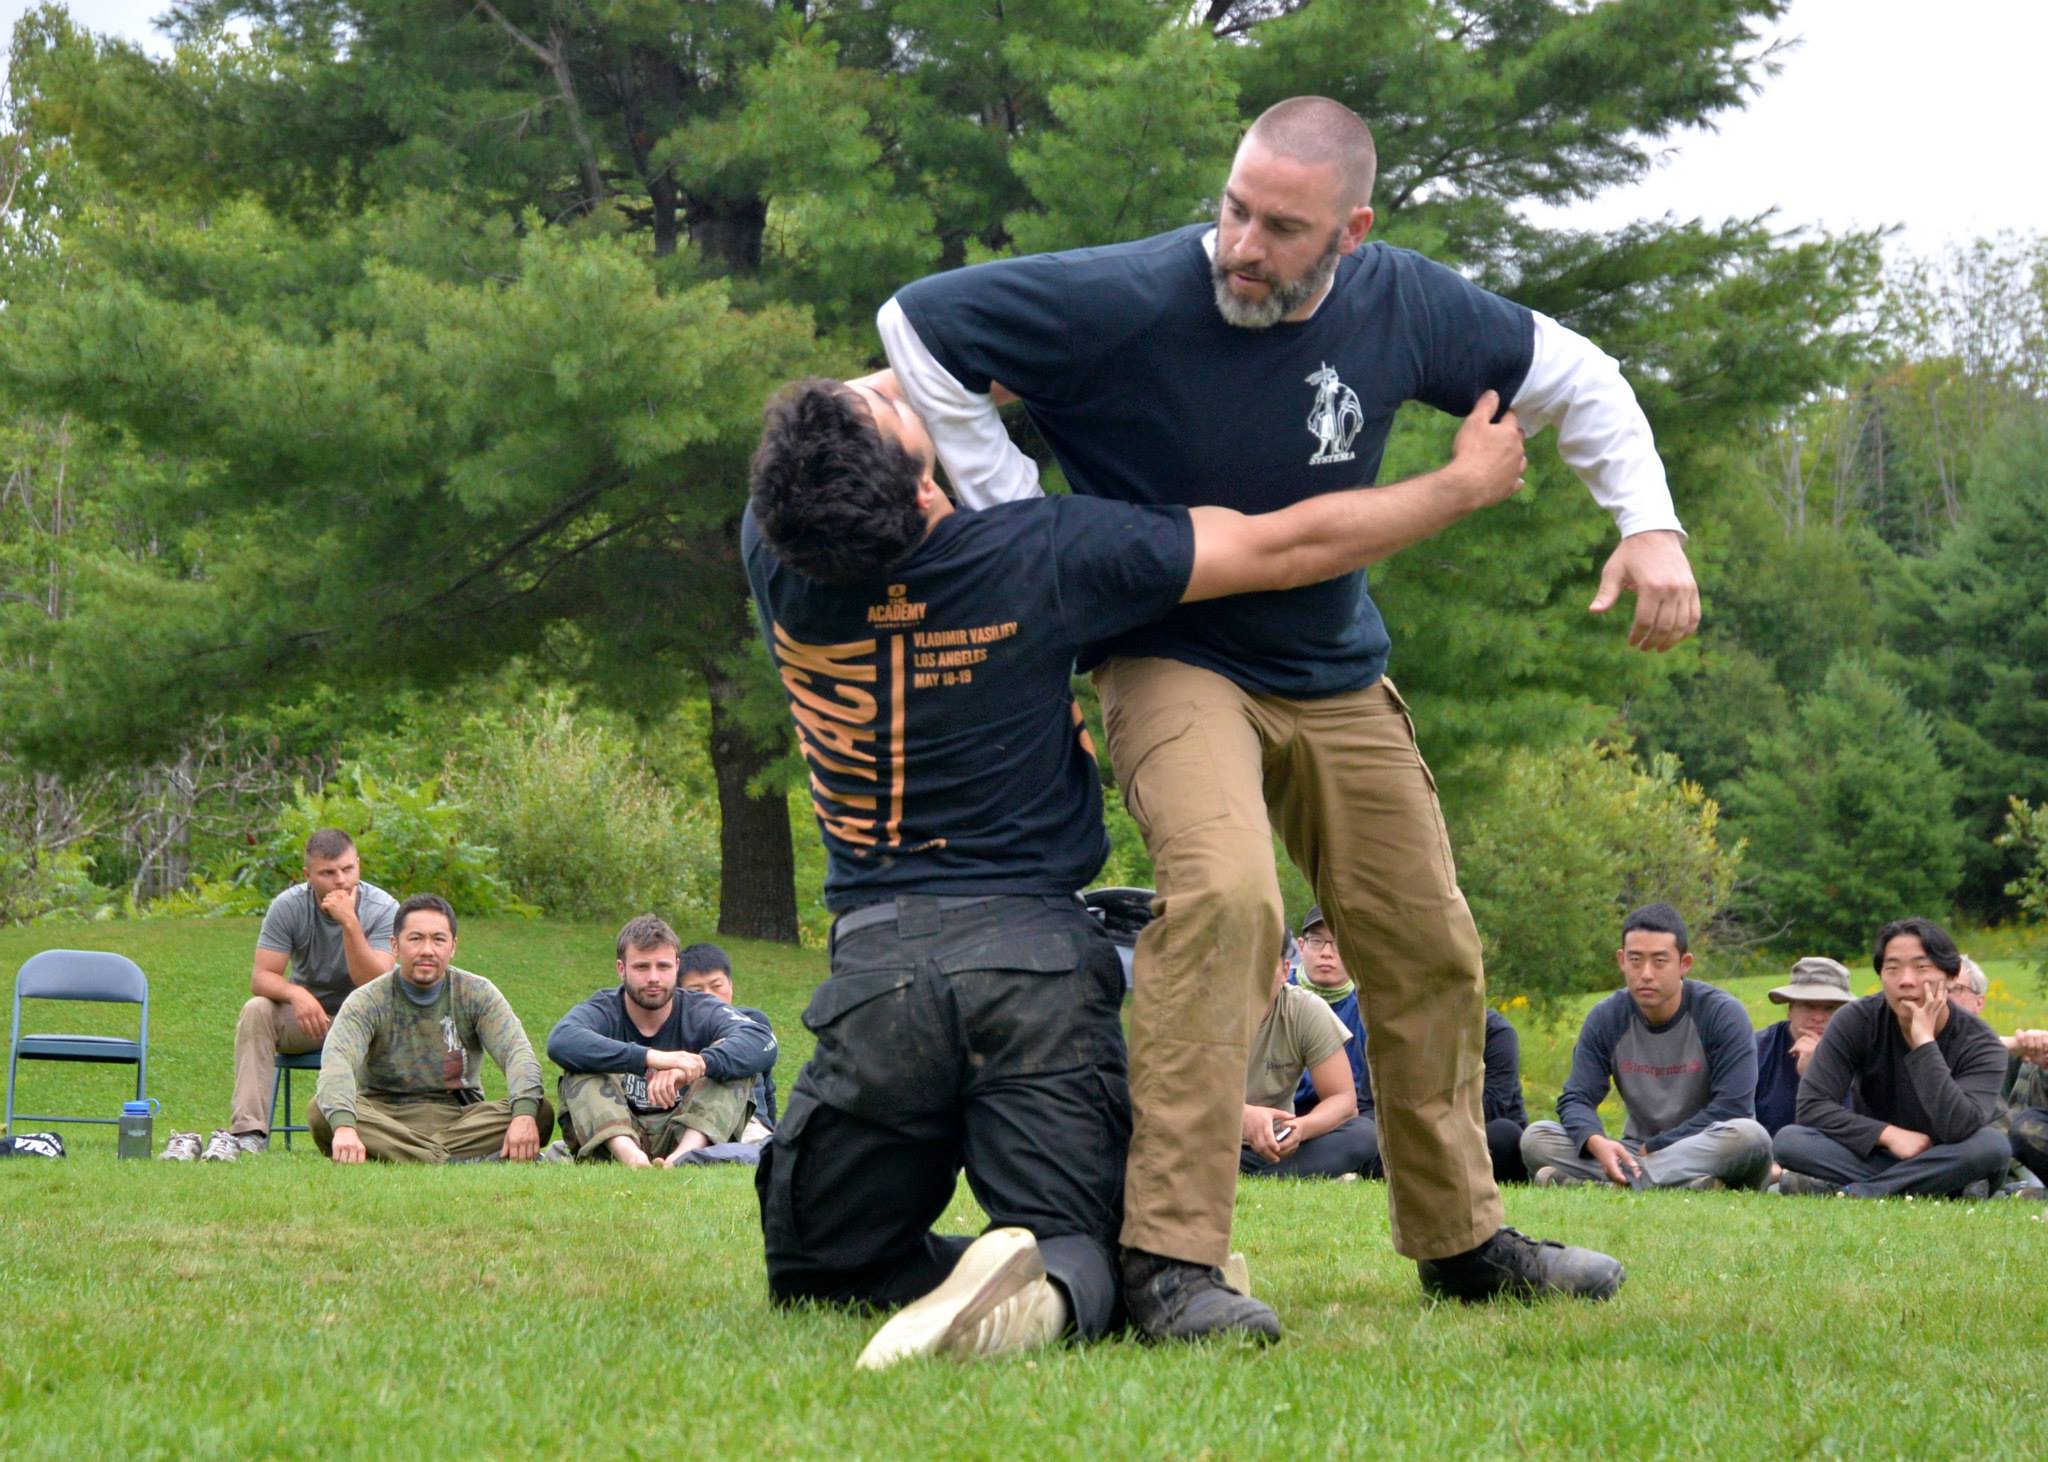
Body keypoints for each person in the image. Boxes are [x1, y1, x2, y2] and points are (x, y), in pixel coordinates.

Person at [880, 95, 1671, 1314]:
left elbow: (1576, 373)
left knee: (1428, 943)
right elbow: (916, 322)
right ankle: (1171, 1261)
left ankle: (1463, 1243)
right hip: (1171, 659)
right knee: (1229, 903)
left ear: (1348, 230)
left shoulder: (1399, 301)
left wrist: (1649, 525)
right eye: (1234, 208)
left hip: (1334, 670)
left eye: (1280, 227)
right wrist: (1017, 516)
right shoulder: (1130, 294)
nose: (1241, 245)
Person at [743, 351, 1539, 1362]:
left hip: (874, 977)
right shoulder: (1035, 556)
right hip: (1025, 966)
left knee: (822, 1270)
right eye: (915, 442)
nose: (912, 403)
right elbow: (1284, 544)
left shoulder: (777, 550)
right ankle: (1037, 1281)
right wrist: (1456, 487)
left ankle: (965, 1269)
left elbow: (841, 421)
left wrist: (892, 408)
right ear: (924, 493)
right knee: (1087, 1245)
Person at [1521, 905, 1772, 1191]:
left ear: (1684, 963)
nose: (1646, 974)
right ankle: (1679, 1184)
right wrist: (1595, 1140)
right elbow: (1576, 1097)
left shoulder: (1721, 1014)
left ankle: (1614, 1182)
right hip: (1637, 1149)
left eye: (1660, 961)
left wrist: (1658, 1146)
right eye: (1636, 960)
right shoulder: (1607, 1017)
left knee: (1750, 1136)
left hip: (1704, 1145)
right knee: (1536, 1137)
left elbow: (1732, 1108)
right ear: (1621, 960)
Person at [1775, 918, 2011, 1199]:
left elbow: (1959, 1127)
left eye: (1921, 968)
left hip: (1948, 1153)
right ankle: (1942, 1188)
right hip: (1877, 1152)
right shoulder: (1856, 1020)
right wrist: (1888, 1134)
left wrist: (1923, 1043)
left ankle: (1863, 1192)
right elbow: (1812, 1106)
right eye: (1892, 969)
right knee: (1790, 1141)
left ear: (1950, 977)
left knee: (1992, 1147)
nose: (1906, 981)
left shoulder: (1981, 1042)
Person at [308, 894, 552, 1164]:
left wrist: (523, 1117)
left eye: (438, 939)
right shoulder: (367, 1000)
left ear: (453, 946)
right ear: (395, 945)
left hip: (462, 1120)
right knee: (322, 1111)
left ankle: (406, 1157)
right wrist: (344, 1126)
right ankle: (453, 1160)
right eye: (415, 938)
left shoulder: (477, 993)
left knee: (537, 1111)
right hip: (384, 1118)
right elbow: (338, 1062)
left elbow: (517, 1053)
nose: (427, 950)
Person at [202, 828, 397, 1162]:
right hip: (311, 1021)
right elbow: (261, 976)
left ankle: (383, 1133)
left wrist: (349, 922)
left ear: (358, 866)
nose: (340, 880)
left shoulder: (383, 908)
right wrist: (296, 994)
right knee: (257, 1009)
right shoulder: (289, 907)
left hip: (369, 1024)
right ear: (308, 876)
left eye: (348, 869)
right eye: (328, 873)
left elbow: (375, 983)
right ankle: (249, 1134)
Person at [546, 918, 776, 1168]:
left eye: (663, 966)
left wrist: (698, 1064)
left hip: (683, 1131)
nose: (653, 977)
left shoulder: (701, 1009)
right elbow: (561, 1040)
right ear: (621, 969)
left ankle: (682, 1159)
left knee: (730, 1069)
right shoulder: (604, 1009)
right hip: (617, 1136)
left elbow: (762, 1040)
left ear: (677, 967)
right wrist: (652, 1058)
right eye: (642, 967)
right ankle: (631, 1159)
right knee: (580, 1069)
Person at [1244, 948, 1379, 1180]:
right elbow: (1177, 1096)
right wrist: (1242, 1117)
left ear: (1286, 970)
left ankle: (1254, 1174)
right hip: (1211, 1138)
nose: (1255, 975)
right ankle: (1275, 1175)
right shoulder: (1201, 1006)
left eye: (1266, 965)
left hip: (1277, 1145)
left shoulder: (1304, 1008)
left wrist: (1302, 1129)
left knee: (1366, 1134)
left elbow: (1344, 1101)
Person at [677, 942, 781, 1139]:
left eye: (717, 986)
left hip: (752, 1124)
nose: (709, 997)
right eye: (696, 991)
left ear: (731, 985)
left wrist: (771, 1127)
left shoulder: (753, 1023)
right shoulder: (680, 1031)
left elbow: (767, 1087)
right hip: (697, 1124)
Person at [1753, 957, 1856, 1137]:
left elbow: (1857, 1126)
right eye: (1808, 1006)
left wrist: (1817, 1074)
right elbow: (1736, 1116)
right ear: (1790, 1009)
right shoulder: (1757, 1050)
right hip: (1764, 1157)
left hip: (1833, 1156)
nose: (1818, 1017)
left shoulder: (1860, 1052)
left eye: (1830, 1008)